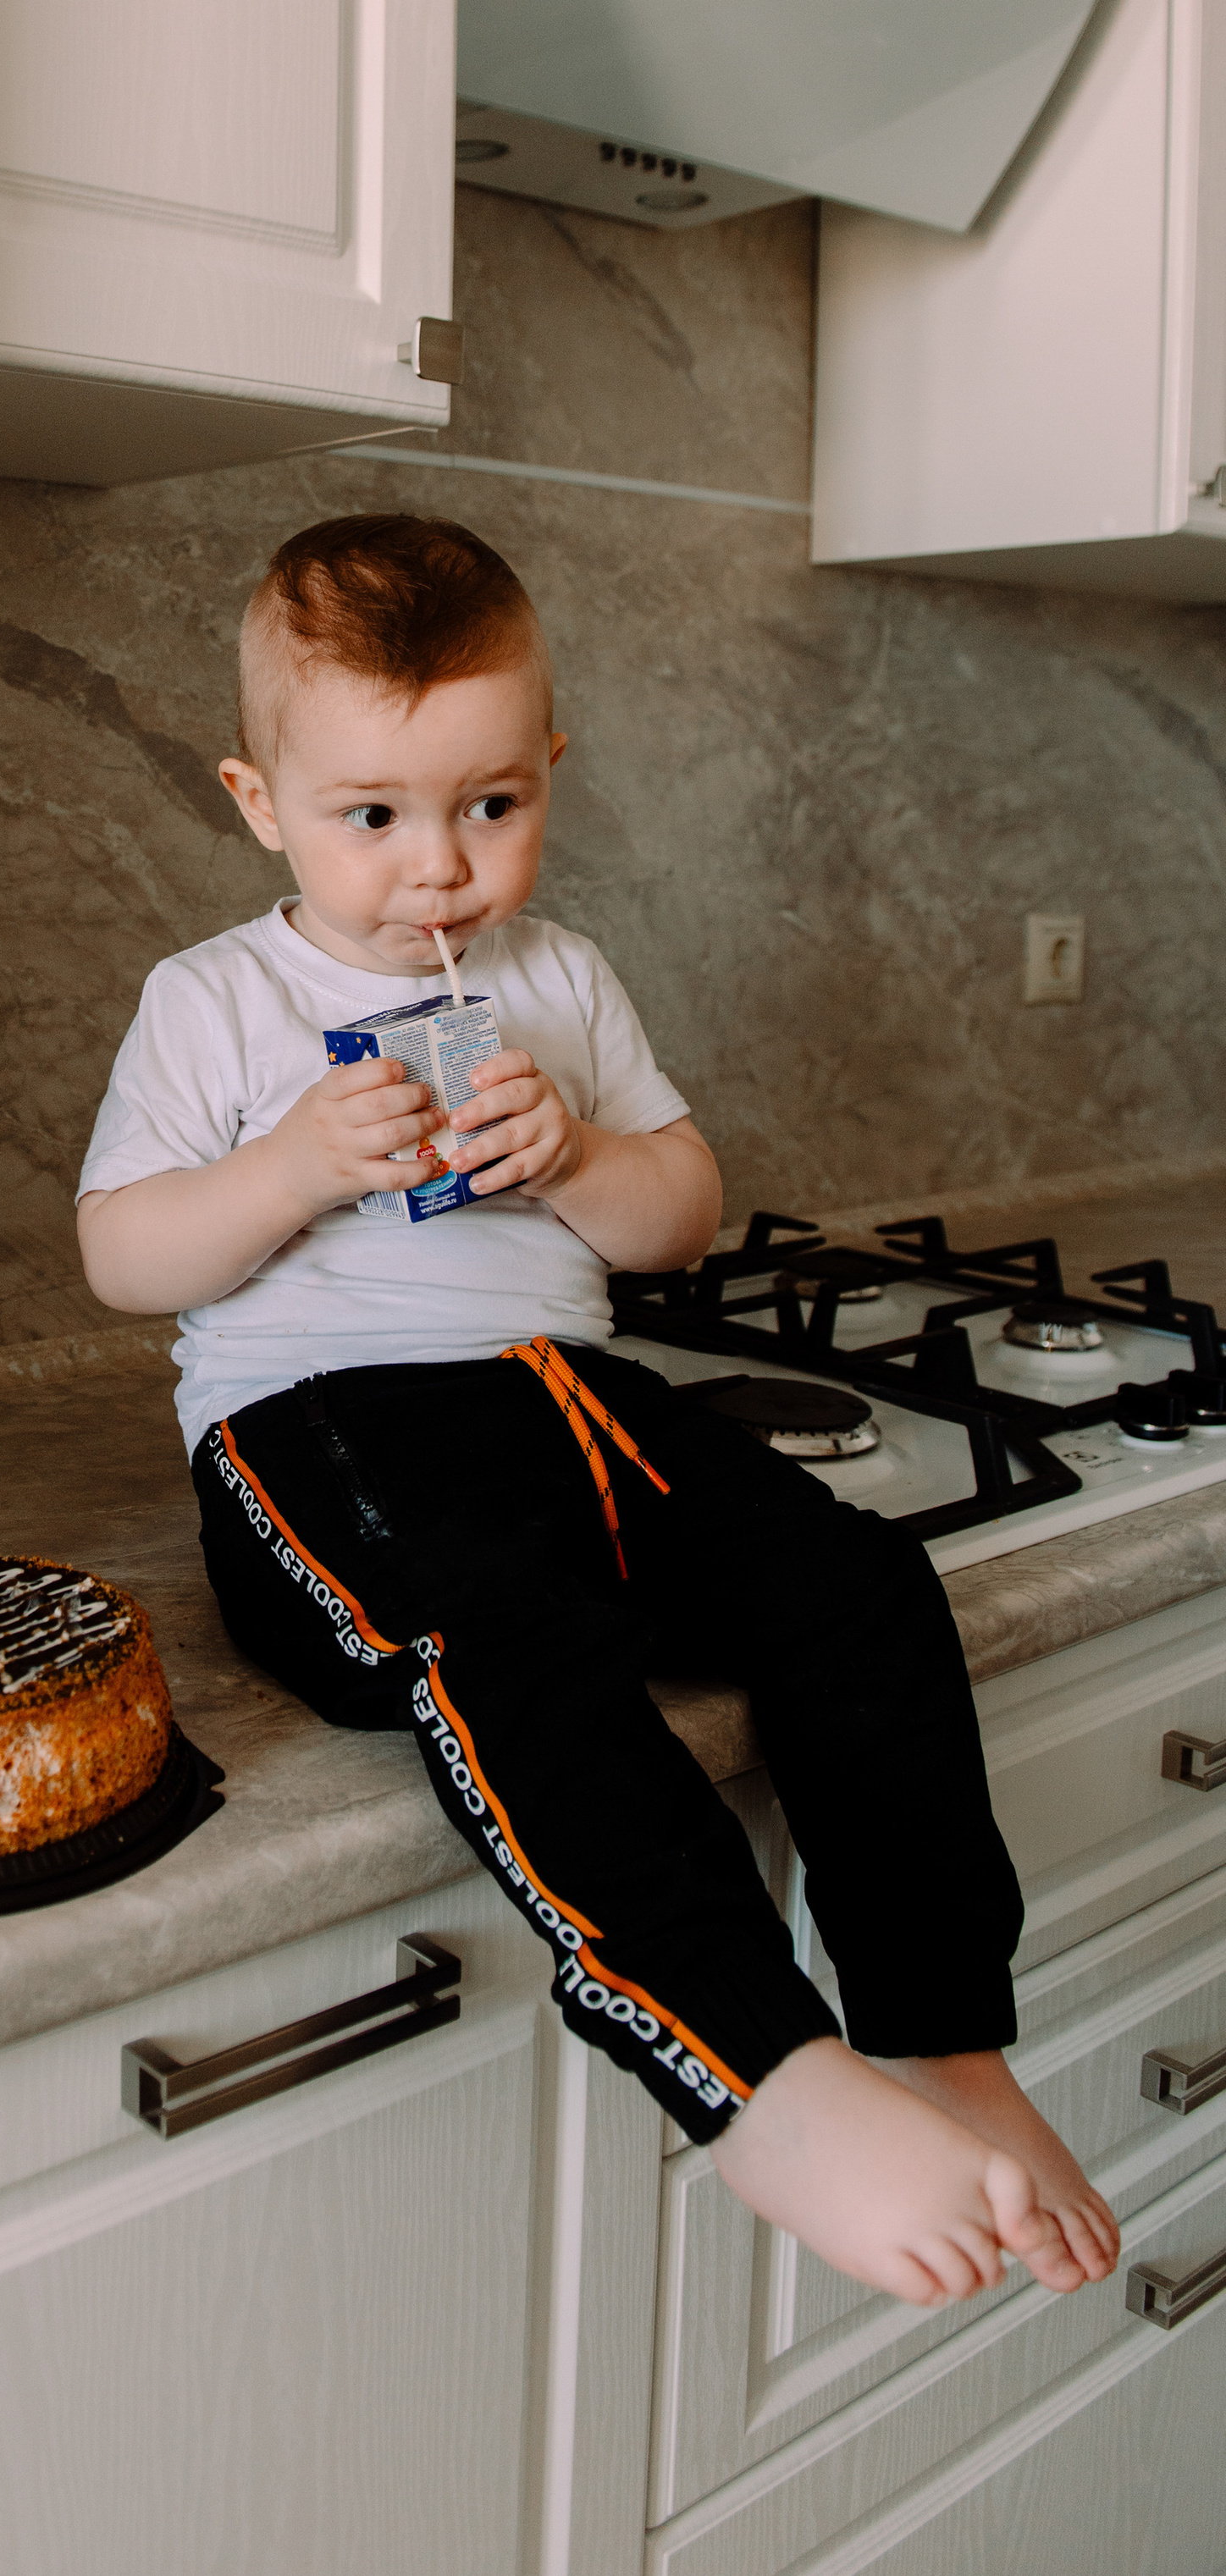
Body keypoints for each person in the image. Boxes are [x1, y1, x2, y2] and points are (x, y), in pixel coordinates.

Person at [75, 512, 1118, 2308]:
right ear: (259, 800)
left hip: (574, 1398)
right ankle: (761, 2080)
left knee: (860, 1585)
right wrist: (282, 1171)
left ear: (546, 770)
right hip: (323, 1431)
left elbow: (680, 1213)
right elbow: (120, 1253)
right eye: (372, 814)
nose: (436, 871)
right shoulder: (216, 998)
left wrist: (575, 1155)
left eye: (487, 804)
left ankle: (940, 2042)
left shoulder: (555, 981)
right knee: (508, 1646)